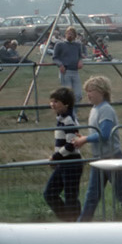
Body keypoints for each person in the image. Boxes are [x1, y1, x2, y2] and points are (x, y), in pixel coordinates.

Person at [72, 76, 122, 221]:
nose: (88, 94)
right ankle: (81, 227)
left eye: (91, 91)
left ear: (101, 92)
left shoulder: (106, 110)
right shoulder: (95, 109)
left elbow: (104, 134)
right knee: (92, 195)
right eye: (87, 91)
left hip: (112, 158)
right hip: (99, 158)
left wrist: (85, 139)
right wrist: (84, 137)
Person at [42, 86, 83, 221]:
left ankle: (74, 223)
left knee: (71, 197)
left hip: (71, 162)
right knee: (50, 193)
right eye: (51, 101)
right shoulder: (61, 118)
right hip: (63, 162)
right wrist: (58, 158)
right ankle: (69, 220)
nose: (52, 104)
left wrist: (55, 157)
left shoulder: (69, 120)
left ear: (66, 104)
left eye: (56, 101)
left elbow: (71, 144)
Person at [52, 27, 84, 102]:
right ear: (65, 34)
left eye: (72, 34)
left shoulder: (78, 45)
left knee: (78, 95)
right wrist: (60, 65)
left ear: (75, 36)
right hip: (65, 71)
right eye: (68, 33)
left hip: (75, 72)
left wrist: (80, 61)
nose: (70, 35)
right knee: (68, 95)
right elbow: (55, 58)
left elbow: (80, 56)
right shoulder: (60, 44)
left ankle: (73, 112)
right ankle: (68, 112)